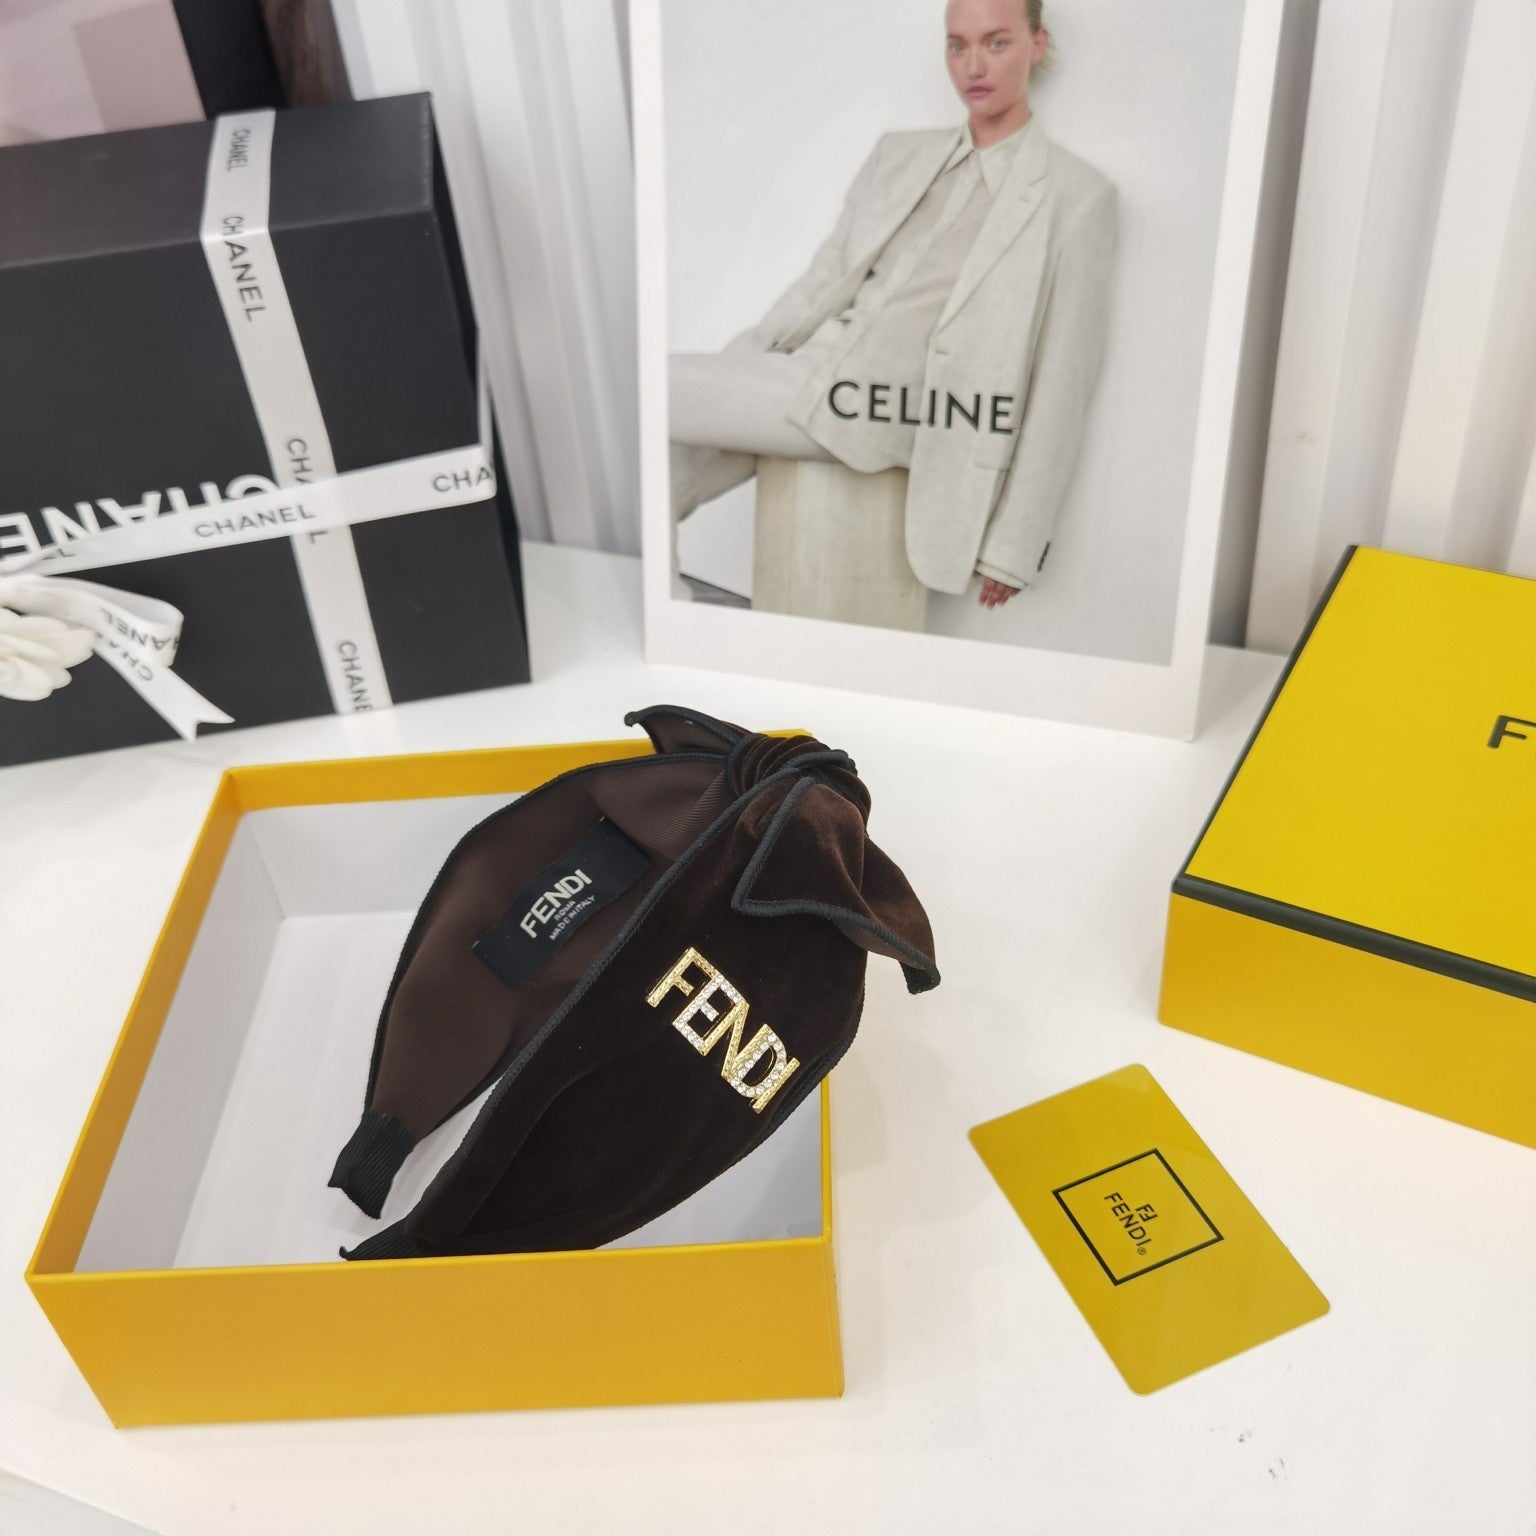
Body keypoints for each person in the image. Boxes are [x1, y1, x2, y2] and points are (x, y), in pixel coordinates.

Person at [670, 0, 1117, 619]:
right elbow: (822, 280)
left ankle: (670, 611)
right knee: (668, 451)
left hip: (894, 409)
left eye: (996, 43)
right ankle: (671, 610)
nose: (973, 66)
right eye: (957, 45)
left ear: (1036, 45)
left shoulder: (1077, 196)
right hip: (807, 374)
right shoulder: (898, 155)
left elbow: (1064, 383)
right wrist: (745, 360)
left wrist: (1014, 548)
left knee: (655, 388)